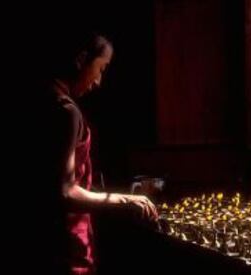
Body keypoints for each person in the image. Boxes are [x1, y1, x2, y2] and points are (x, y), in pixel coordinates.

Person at [33, 31, 158, 275]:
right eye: (101, 68)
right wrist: (126, 200)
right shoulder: (66, 112)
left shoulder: (42, 98)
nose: (99, 81)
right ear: (81, 59)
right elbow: (65, 191)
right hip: (66, 246)